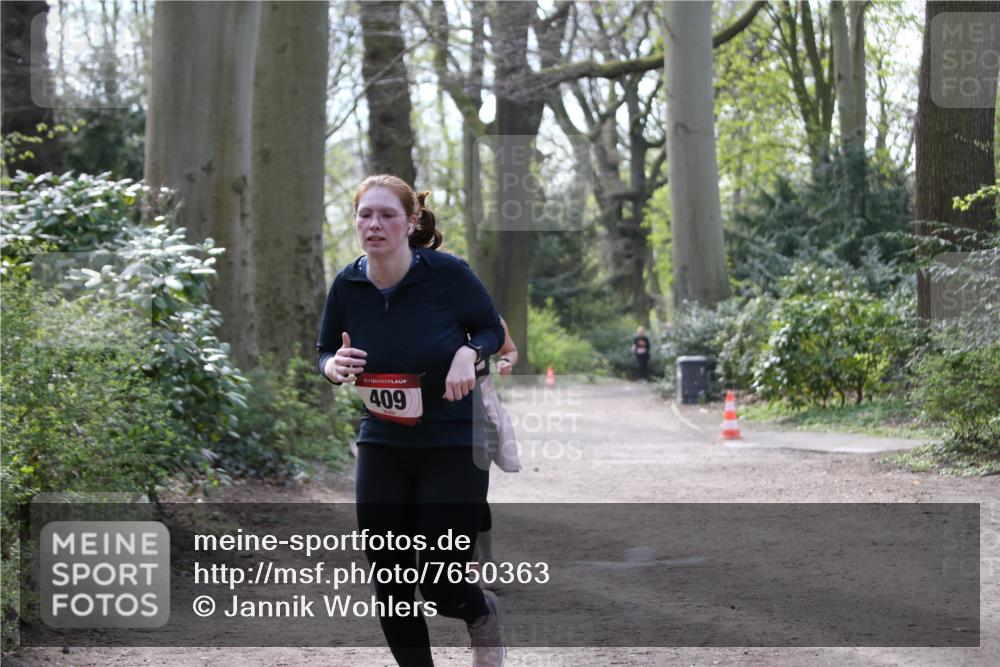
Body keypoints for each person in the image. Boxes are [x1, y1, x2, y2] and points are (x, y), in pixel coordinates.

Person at [317, 174, 506, 667]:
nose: (374, 225)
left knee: (441, 584)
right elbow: (325, 349)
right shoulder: (347, 285)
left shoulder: (447, 275)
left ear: (411, 221)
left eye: (387, 215)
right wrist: (333, 366)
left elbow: (490, 329)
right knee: (391, 580)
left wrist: (468, 353)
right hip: (383, 441)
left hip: (454, 442)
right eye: (365, 215)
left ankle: (480, 613)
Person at [472, 318, 520, 589]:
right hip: (436, 411)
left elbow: (509, 350)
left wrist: (506, 362)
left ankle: (486, 560)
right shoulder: (427, 312)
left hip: (481, 410)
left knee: (474, 490)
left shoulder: (488, 317)